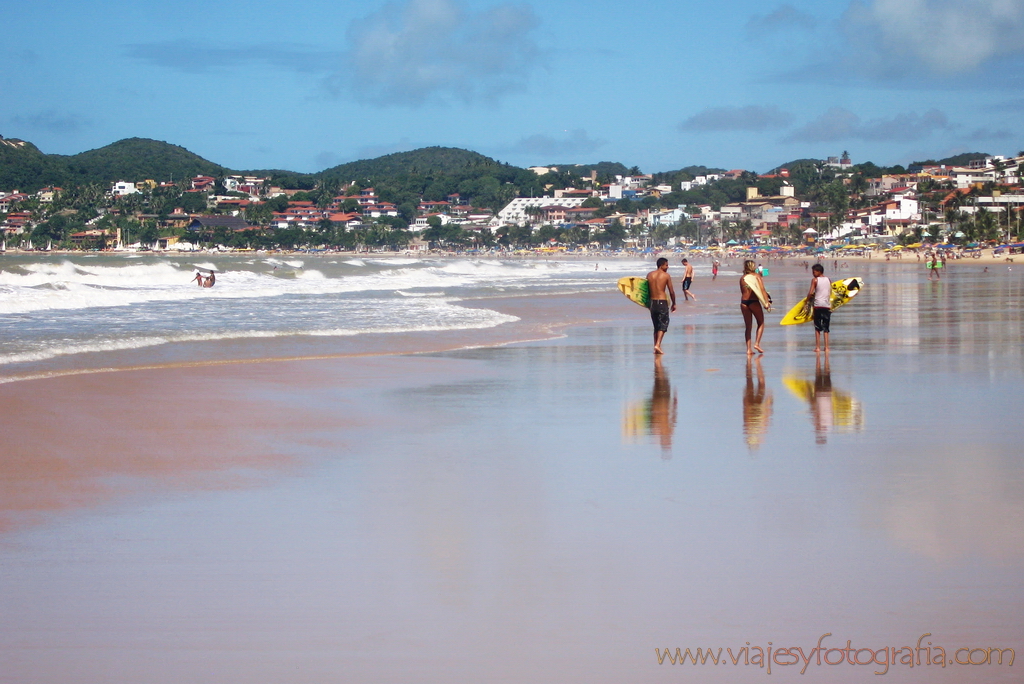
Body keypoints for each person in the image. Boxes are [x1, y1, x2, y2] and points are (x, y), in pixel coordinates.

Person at [646, 257, 677, 354]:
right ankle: (657, 345)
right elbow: (671, 291)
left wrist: (647, 303)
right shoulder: (666, 275)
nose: (668, 267)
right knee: (663, 325)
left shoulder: (649, 275)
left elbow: (646, 290)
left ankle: (656, 347)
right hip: (662, 302)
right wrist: (674, 303)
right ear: (661, 265)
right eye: (666, 265)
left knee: (656, 326)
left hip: (652, 303)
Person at [740, 260, 769, 355]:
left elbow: (743, 291)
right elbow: (762, 290)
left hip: (744, 302)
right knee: (761, 322)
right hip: (754, 302)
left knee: (748, 326)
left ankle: (748, 349)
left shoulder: (742, 278)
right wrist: (766, 302)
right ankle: (757, 344)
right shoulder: (756, 276)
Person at [806, 263, 831, 352]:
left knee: (817, 327)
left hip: (818, 305)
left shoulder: (815, 280)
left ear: (819, 272)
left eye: (814, 272)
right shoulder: (829, 279)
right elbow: (829, 291)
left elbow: (810, 292)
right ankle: (827, 347)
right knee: (826, 327)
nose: (813, 273)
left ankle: (818, 347)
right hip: (827, 306)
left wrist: (806, 301)